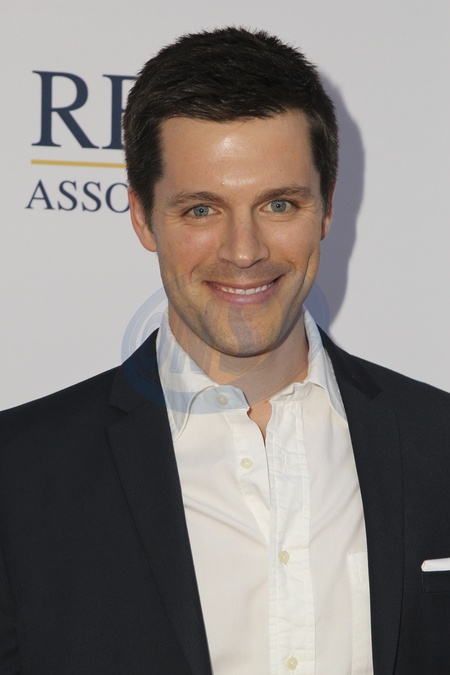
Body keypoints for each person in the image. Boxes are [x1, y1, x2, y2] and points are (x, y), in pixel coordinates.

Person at [0, 26, 449, 675]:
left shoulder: (438, 442)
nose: (244, 251)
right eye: (202, 210)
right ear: (142, 217)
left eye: (278, 203)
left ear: (326, 209)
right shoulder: (20, 475)